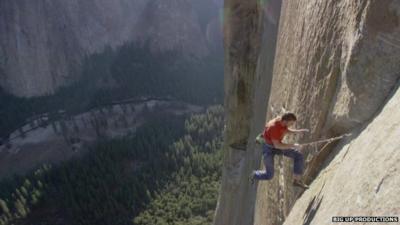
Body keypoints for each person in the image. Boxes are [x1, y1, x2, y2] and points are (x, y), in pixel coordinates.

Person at [251, 112, 310, 189]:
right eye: (291, 123)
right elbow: (277, 145)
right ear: (285, 121)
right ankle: (254, 174)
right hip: (268, 149)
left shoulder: (282, 121)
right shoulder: (273, 127)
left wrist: (297, 131)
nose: (291, 125)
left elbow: (285, 130)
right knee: (269, 175)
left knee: (298, 155)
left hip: (275, 144)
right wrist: (293, 145)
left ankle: (296, 181)